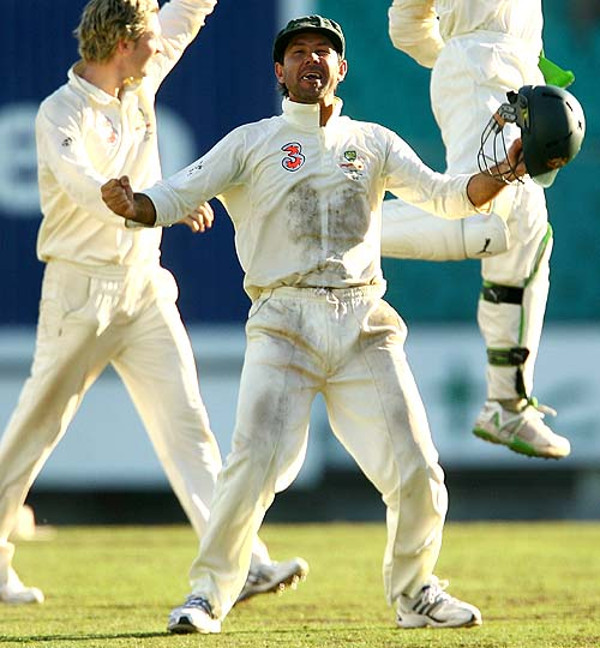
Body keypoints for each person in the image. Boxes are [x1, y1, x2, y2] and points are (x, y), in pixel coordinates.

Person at [101, 14, 529, 634]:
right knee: (251, 466)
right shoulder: (252, 141)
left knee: (417, 470)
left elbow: (444, 195)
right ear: (279, 71)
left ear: (340, 69)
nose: (311, 61)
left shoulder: (373, 142)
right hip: (283, 320)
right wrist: (135, 206)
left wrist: (508, 171)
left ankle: (415, 594)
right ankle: (208, 596)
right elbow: (176, 192)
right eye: (298, 52)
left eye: (324, 52)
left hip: (364, 323)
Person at [0, 0, 307, 606]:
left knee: (187, 425)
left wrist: (152, 204)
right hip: (79, 292)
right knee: (36, 430)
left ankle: (240, 563)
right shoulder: (59, 112)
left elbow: (187, 12)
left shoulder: (141, 76)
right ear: (122, 46)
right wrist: (144, 203)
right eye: (147, 43)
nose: (157, 50)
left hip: (143, 287)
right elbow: (82, 182)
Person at [380, 0, 572, 459]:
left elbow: (408, 28)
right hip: (482, 69)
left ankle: (506, 402)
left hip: (512, 74)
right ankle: (338, 227)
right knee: (485, 216)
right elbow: (406, 24)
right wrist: (461, 57)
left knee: (526, 234)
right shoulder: (471, 50)